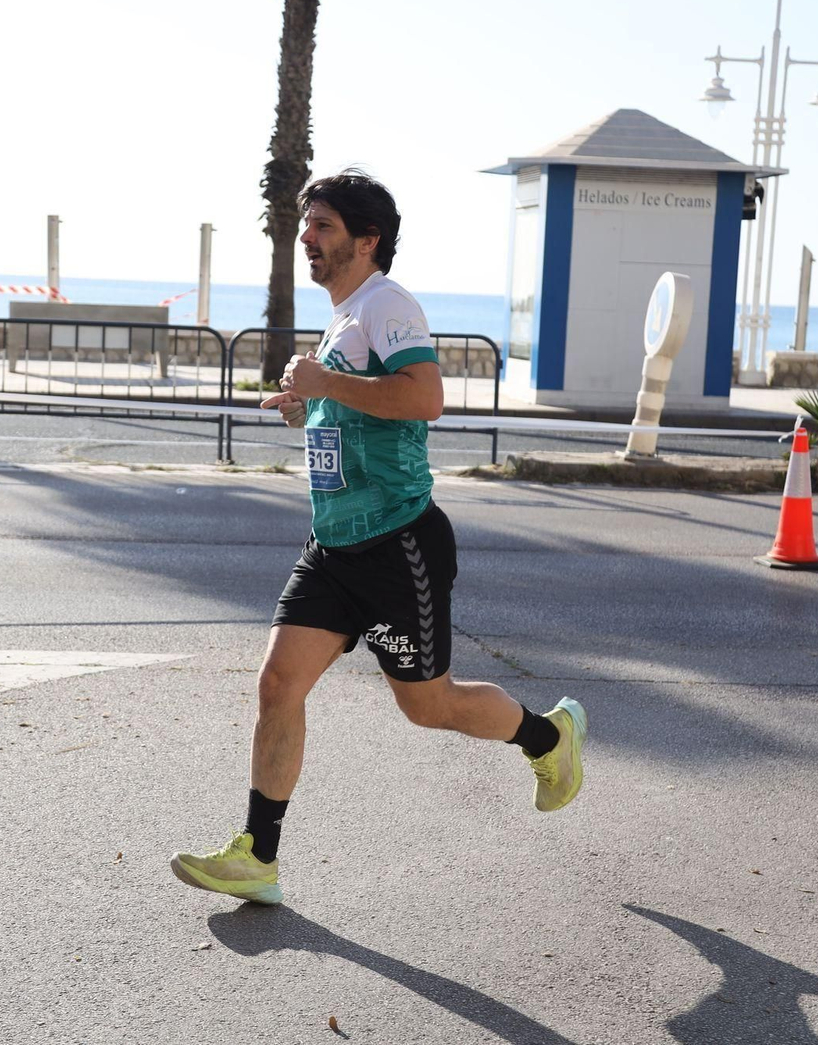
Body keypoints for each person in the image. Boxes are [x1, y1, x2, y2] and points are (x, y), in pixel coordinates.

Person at [170, 171, 587, 905]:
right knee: (277, 683)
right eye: (308, 225)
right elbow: (363, 411)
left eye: (324, 227)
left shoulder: (387, 304)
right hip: (333, 546)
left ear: (368, 242)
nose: (307, 238)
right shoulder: (345, 318)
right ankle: (256, 855)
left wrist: (329, 388)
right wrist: (309, 410)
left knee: (428, 706)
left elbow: (424, 398)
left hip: (399, 546)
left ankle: (549, 739)